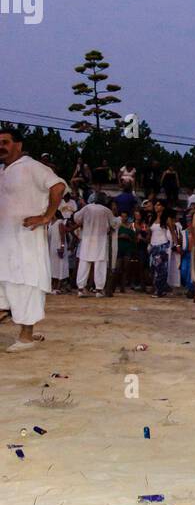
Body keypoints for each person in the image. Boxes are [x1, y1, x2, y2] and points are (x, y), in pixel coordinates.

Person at [0, 127, 66, 351]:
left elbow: (58, 186)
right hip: (5, 242)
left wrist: (47, 216)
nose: (1, 146)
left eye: (5, 142)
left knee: (26, 285)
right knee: (5, 286)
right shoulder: (3, 171)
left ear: (18, 145)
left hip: (26, 241)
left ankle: (26, 337)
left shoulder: (32, 166)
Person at [73, 193, 117, 296]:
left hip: (87, 239)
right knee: (100, 264)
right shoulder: (106, 210)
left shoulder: (86, 208)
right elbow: (114, 223)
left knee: (84, 263)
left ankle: (81, 289)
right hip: (100, 240)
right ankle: (99, 290)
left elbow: (76, 218)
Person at [148, 200, 175, 298]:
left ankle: (159, 290)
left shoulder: (167, 219)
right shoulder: (152, 218)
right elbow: (150, 233)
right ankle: (159, 288)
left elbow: (173, 232)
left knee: (160, 269)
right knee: (153, 268)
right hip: (153, 245)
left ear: (163, 207)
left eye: (158, 205)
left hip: (162, 245)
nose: (156, 206)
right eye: (156, 204)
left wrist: (176, 245)